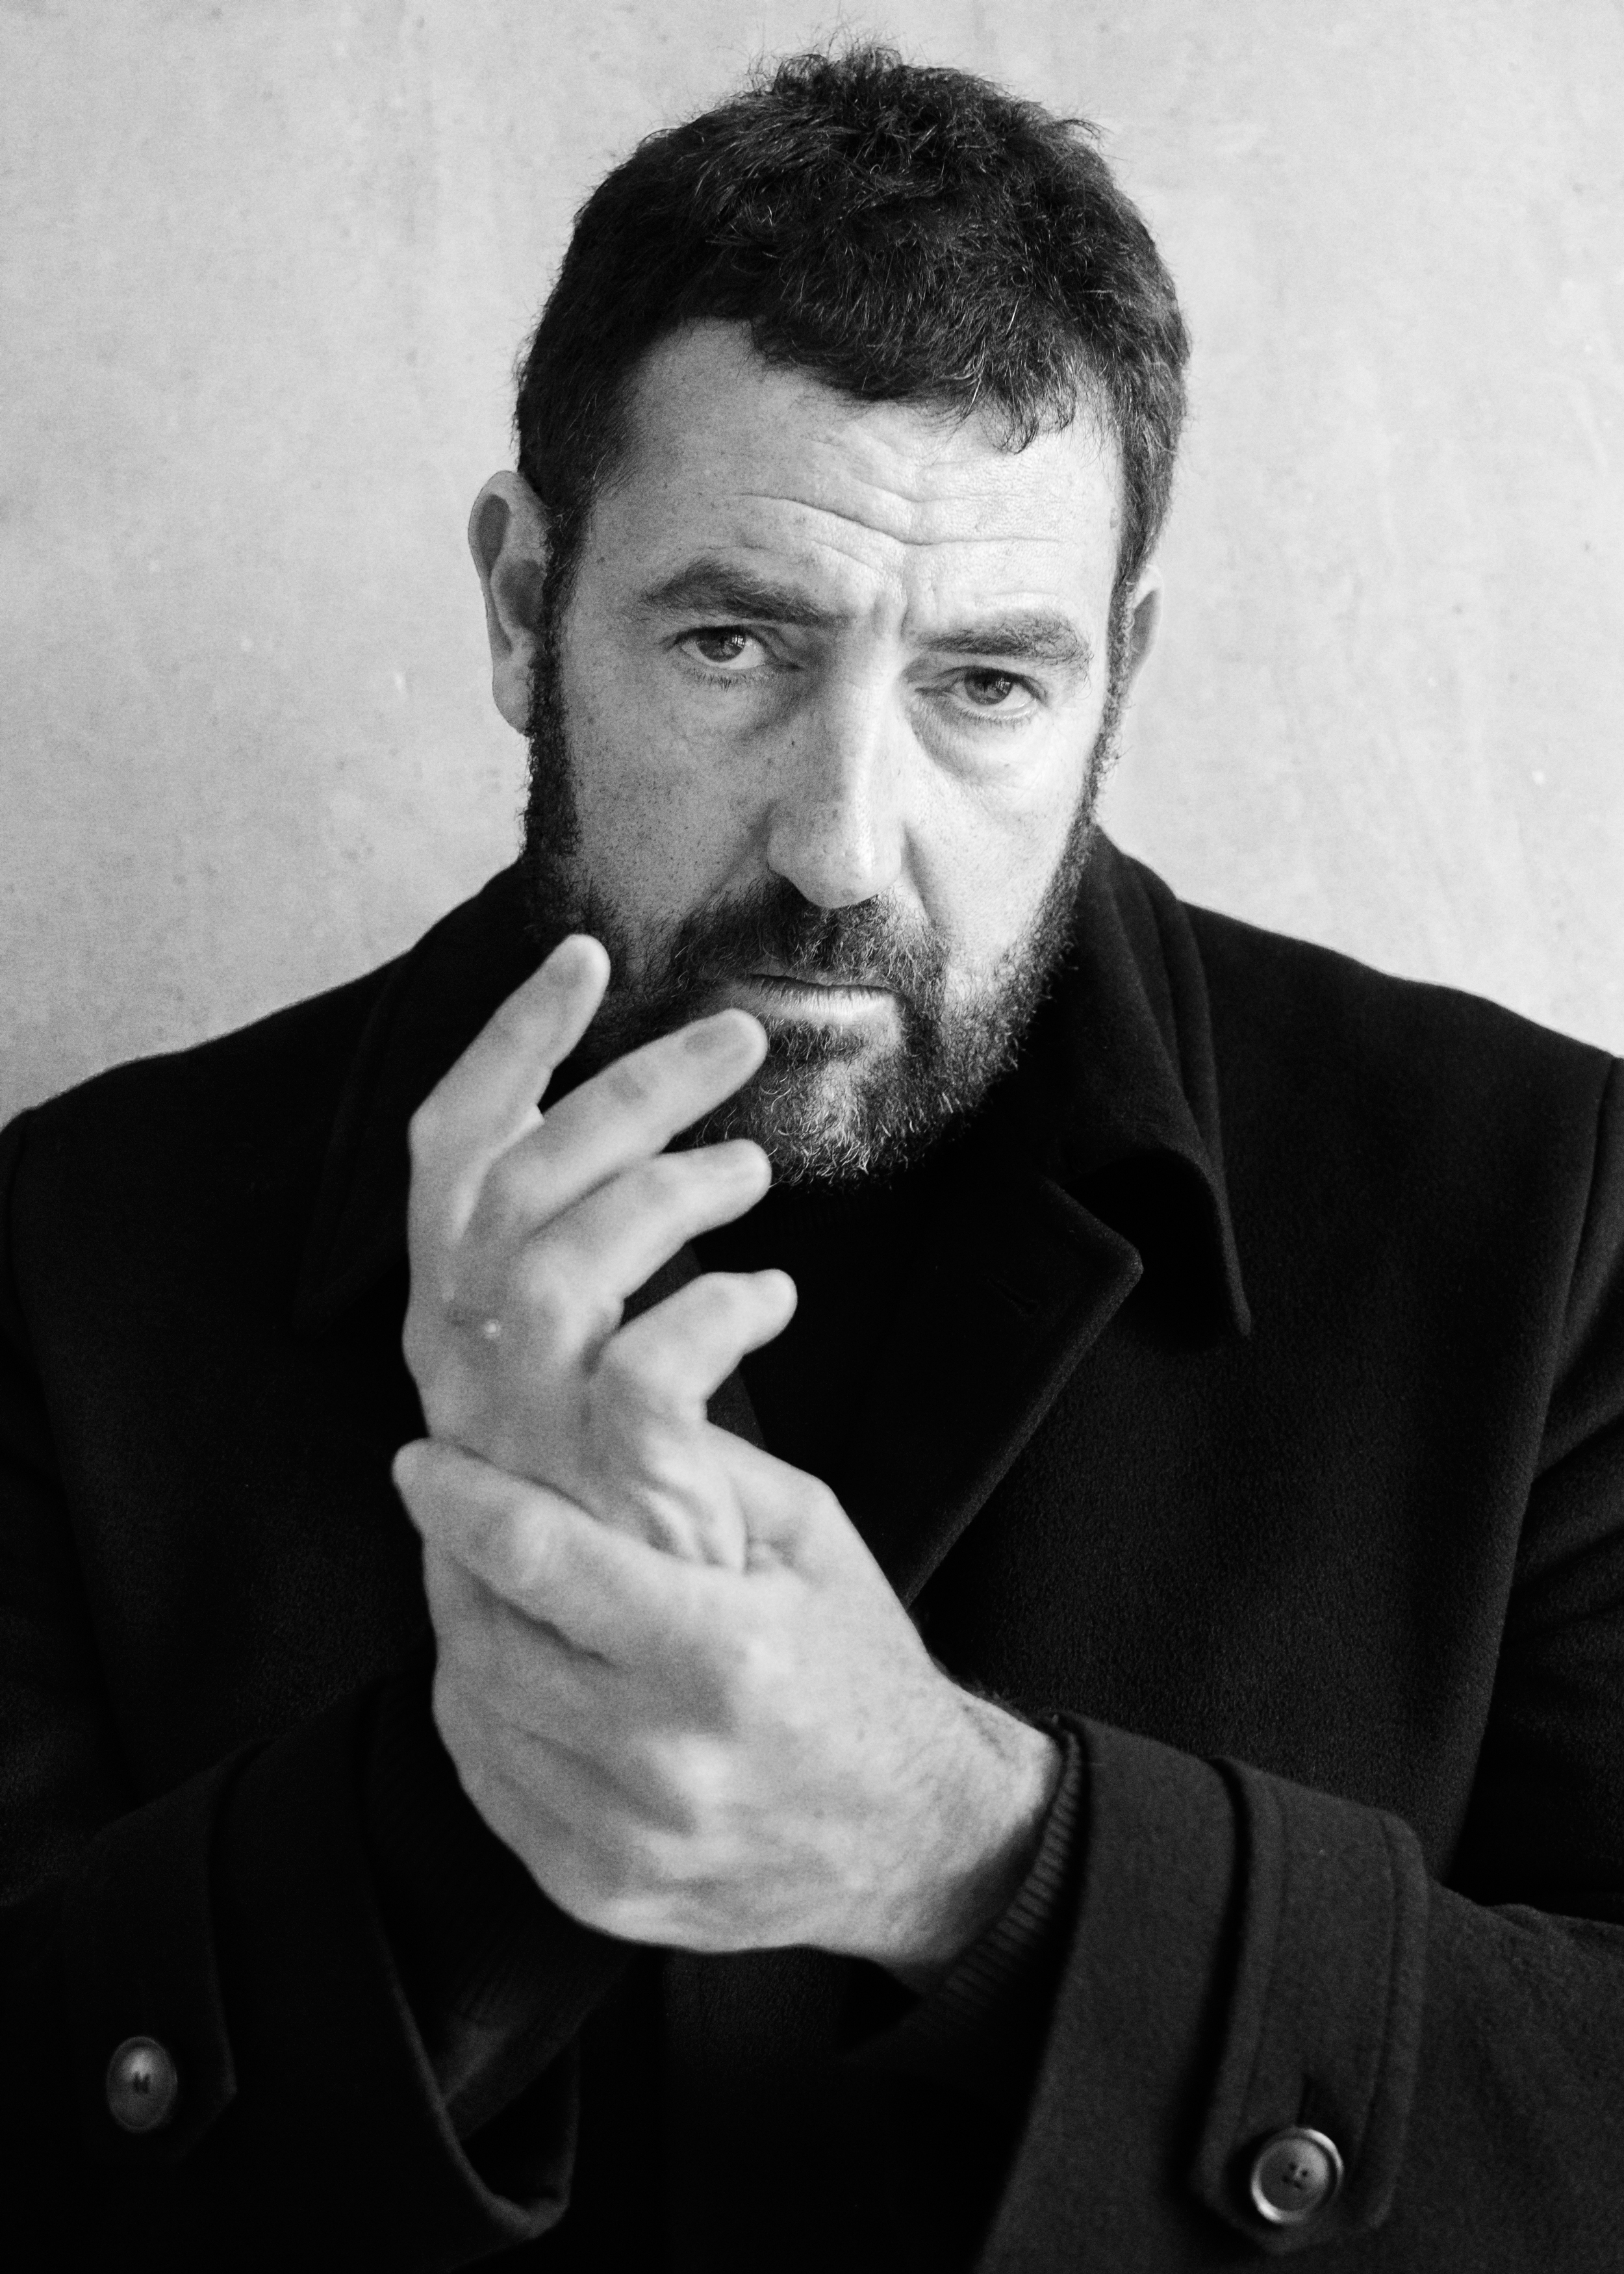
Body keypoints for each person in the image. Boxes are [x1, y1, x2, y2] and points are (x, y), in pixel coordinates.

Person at [3, 42, 1622, 2273]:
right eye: (732, 644)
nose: (843, 842)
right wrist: (475, 1793)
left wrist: (969, 1852)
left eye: (985, 683)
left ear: (1120, 670)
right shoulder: (72, 1256)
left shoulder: (1543, 1215)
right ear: (522, 607)